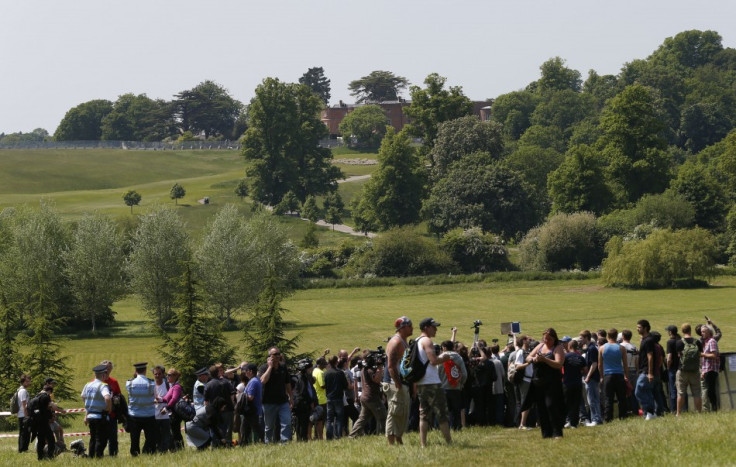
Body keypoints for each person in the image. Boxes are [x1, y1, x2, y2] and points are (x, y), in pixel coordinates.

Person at [415, 317, 452, 448]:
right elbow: (433, 361)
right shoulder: (427, 341)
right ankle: (449, 442)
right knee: (442, 413)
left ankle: (423, 444)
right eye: (433, 327)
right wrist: (444, 357)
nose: (436, 329)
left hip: (420, 382)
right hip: (432, 382)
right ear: (426, 328)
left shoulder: (416, 341)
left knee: (424, 414)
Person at [527, 328, 565, 439]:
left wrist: (545, 360)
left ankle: (557, 432)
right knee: (541, 408)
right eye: (545, 338)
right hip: (539, 382)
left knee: (551, 406)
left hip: (552, 383)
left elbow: (559, 364)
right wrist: (534, 359)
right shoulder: (540, 346)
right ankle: (546, 433)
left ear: (554, 339)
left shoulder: (558, 348)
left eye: (549, 339)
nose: (546, 341)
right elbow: (528, 357)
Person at [384, 315, 413, 445]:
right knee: (394, 412)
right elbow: (391, 366)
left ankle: (398, 438)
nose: (412, 328)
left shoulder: (403, 341)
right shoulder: (396, 342)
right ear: (402, 328)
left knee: (402, 413)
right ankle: (391, 442)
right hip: (394, 382)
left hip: (400, 382)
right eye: (410, 326)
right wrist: (398, 384)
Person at [349, 353, 387, 438]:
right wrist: (380, 367)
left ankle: (352, 435)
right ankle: (383, 435)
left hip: (365, 397)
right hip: (372, 397)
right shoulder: (369, 370)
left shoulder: (364, 368)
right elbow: (377, 380)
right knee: (383, 416)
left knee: (362, 419)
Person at [260, 347, 293, 443]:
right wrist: (270, 367)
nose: (278, 356)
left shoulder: (283, 366)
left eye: (279, 354)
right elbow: (263, 381)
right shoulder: (264, 367)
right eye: (275, 354)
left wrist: (291, 397)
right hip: (268, 402)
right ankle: (268, 442)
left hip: (283, 401)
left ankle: (284, 442)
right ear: (270, 356)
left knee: (286, 422)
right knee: (269, 426)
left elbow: (287, 383)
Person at [126, 362, 158, 455]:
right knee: (150, 437)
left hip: (134, 415)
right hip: (149, 414)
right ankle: (148, 452)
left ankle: (135, 453)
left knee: (135, 438)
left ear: (136, 371)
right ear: (145, 370)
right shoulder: (151, 383)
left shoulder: (129, 383)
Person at [81, 364, 112, 458]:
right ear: (103, 375)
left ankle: (91, 456)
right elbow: (107, 398)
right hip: (100, 416)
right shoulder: (102, 386)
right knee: (101, 438)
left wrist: (90, 405)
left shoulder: (88, 384)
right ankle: (98, 457)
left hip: (91, 416)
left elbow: (83, 396)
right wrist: (109, 408)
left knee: (93, 438)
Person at [598, 328, 629, 422]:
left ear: (607, 336)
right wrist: (626, 376)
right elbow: (625, 364)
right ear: (616, 336)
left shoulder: (602, 348)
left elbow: (600, 364)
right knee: (621, 398)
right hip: (619, 375)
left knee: (608, 398)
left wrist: (601, 376)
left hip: (608, 375)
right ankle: (623, 416)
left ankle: (608, 418)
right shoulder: (621, 348)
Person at [438, 340, 468, 430]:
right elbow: (464, 374)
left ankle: (445, 429)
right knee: (456, 410)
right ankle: (457, 428)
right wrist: (461, 383)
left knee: (444, 411)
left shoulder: (440, 357)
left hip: (443, 387)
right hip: (456, 388)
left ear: (444, 348)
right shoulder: (458, 358)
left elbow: (436, 373)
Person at [675, 323, 702, 415]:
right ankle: (699, 413)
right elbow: (699, 355)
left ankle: (678, 413)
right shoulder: (697, 342)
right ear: (690, 330)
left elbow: (678, 355)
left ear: (682, 331)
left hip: (682, 370)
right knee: (697, 393)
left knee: (681, 393)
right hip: (695, 370)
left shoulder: (679, 342)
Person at [634, 320, 658, 420]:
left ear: (645, 328)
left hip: (646, 371)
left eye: (639, 327)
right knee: (647, 391)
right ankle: (649, 413)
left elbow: (650, 356)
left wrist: (650, 373)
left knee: (638, 391)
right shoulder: (644, 339)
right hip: (643, 369)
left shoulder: (648, 340)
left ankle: (649, 411)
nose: (637, 329)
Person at [579, 330, 602, 426]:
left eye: (581, 337)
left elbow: (594, 364)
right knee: (594, 399)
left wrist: (588, 376)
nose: (580, 340)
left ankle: (595, 419)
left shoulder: (592, 349)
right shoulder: (590, 348)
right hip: (592, 377)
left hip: (592, 378)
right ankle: (597, 418)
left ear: (586, 338)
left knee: (592, 399)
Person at [563, 339, 586, 428]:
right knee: (576, 403)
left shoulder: (565, 356)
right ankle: (574, 423)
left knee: (566, 402)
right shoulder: (581, 357)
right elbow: (585, 370)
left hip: (567, 382)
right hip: (577, 383)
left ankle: (566, 420)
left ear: (569, 346)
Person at [31, 384, 58, 460]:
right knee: (51, 439)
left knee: (41, 440)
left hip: (36, 422)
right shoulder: (46, 397)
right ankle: (50, 456)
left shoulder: (36, 397)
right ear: (49, 391)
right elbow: (52, 406)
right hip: (44, 422)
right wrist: (59, 410)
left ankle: (40, 457)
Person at [100, 361, 121, 456]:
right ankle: (98, 454)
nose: (107, 370)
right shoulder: (97, 382)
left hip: (112, 414)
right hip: (99, 414)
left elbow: (119, 396)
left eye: (109, 368)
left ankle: (113, 455)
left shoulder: (114, 382)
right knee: (100, 437)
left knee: (113, 438)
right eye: (105, 368)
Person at [324, 355, 347, 440]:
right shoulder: (340, 373)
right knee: (339, 418)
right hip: (338, 397)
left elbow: (325, 385)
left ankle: (329, 437)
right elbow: (345, 385)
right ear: (336, 362)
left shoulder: (326, 373)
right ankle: (338, 435)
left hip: (329, 398)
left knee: (329, 419)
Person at [161, 368, 184, 450]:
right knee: (173, 431)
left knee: (175, 431)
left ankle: (179, 449)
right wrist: (158, 400)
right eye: (167, 375)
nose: (167, 376)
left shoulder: (177, 387)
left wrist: (166, 407)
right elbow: (166, 398)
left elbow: (174, 399)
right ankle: (175, 449)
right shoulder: (172, 386)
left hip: (175, 412)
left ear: (175, 376)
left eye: (169, 375)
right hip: (171, 411)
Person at [242, 363, 264, 444]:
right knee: (247, 427)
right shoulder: (256, 379)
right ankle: (244, 443)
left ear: (250, 371)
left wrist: (241, 396)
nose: (245, 372)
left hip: (251, 409)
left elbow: (250, 397)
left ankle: (263, 441)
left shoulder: (253, 381)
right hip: (254, 409)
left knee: (254, 427)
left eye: (246, 371)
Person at [152, 365, 172, 452]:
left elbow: (171, 399)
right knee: (156, 435)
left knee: (166, 434)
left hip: (165, 414)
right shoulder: (151, 386)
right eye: (155, 374)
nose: (157, 376)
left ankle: (164, 450)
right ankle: (158, 449)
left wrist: (166, 407)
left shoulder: (167, 385)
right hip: (155, 414)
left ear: (163, 374)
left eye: (159, 374)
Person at [700, 325, 720, 412]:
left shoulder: (712, 341)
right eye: (701, 332)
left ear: (709, 332)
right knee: (709, 390)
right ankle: (713, 408)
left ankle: (714, 408)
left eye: (704, 331)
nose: (702, 333)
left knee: (711, 390)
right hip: (707, 369)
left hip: (711, 369)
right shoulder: (706, 342)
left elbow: (714, 355)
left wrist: (702, 354)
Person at [665, 325, 681, 414]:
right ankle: (683, 408)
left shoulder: (670, 342)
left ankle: (674, 409)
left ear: (670, 332)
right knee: (681, 389)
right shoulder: (680, 340)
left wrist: (667, 366)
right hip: (681, 367)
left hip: (673, 368)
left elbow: (669, 357)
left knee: (673, 390)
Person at [311, 357, 327, 440]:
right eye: (324, 363)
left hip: (316, 397)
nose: (325, 365)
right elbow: (322, 385)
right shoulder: (320, 372)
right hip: (322, 399)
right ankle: (318, 436)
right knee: (321, 420)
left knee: (316, 419)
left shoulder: (314, 370)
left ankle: (316, 436)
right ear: (320, 364)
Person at [16, 374, 32, 453]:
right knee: (24, 433)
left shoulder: (21, 390)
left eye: (29, 381)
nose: (29, 383)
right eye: (27, 381)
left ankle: (24, 448)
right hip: (23, 415)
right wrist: (26, 416)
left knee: (25, 432)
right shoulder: (23, 391)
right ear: (23, 382)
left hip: (22, 414)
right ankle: (22, 449)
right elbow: (24, 404)